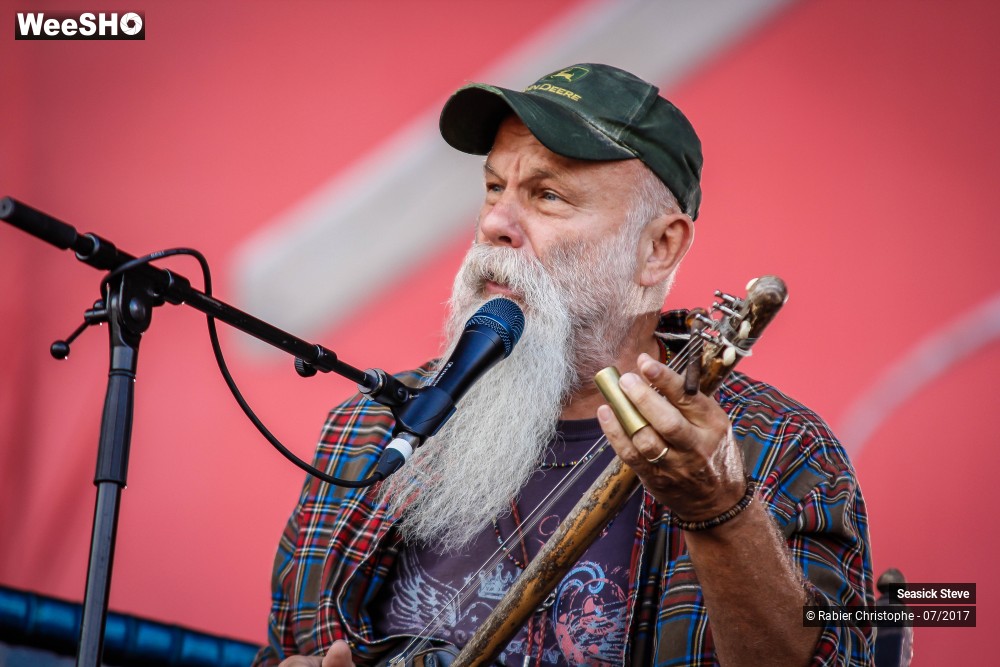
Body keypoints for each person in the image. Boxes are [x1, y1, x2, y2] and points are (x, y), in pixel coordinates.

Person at [255, 63, 873, 666]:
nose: (495, 223)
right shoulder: (366, 433)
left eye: (547, 195)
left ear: (659, 248)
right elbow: (289, 648)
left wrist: (720, 511)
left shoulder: (781, 449)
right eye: (494, 188)